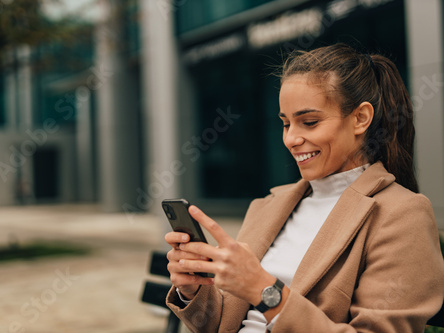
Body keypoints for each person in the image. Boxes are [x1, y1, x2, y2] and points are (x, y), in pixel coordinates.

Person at [164, 43, 444, 332]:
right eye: (286, 124)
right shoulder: (268, 206)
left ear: (361, 118)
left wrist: (265, 290)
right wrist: (193, 289)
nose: (291, 139)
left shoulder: (401, 214)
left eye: (309, 122)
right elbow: (224, 324)